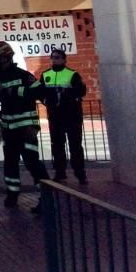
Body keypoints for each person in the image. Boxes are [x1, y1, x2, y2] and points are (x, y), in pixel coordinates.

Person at [0, 40, 49, 212]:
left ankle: (47, 197)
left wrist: (14, 91)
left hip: (26, 128)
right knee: (10, 163)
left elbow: (39, 92)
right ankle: (12, 195)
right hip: (9, 129)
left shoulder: (23, 75)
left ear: (5, 58)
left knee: (32, 162)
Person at [41, 48, 87, 183]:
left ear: (64, 59)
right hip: (55, 116)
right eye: (53, 57)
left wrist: (67, 95)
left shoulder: (72, 74)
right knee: (57, 145)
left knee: (75, 146)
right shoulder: (46, 75)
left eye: (57, 57)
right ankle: (60, 172)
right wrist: (46, 101)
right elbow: (41, 92)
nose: (55, 60)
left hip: (72, 115)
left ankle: (80, 174)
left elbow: (81, 91)